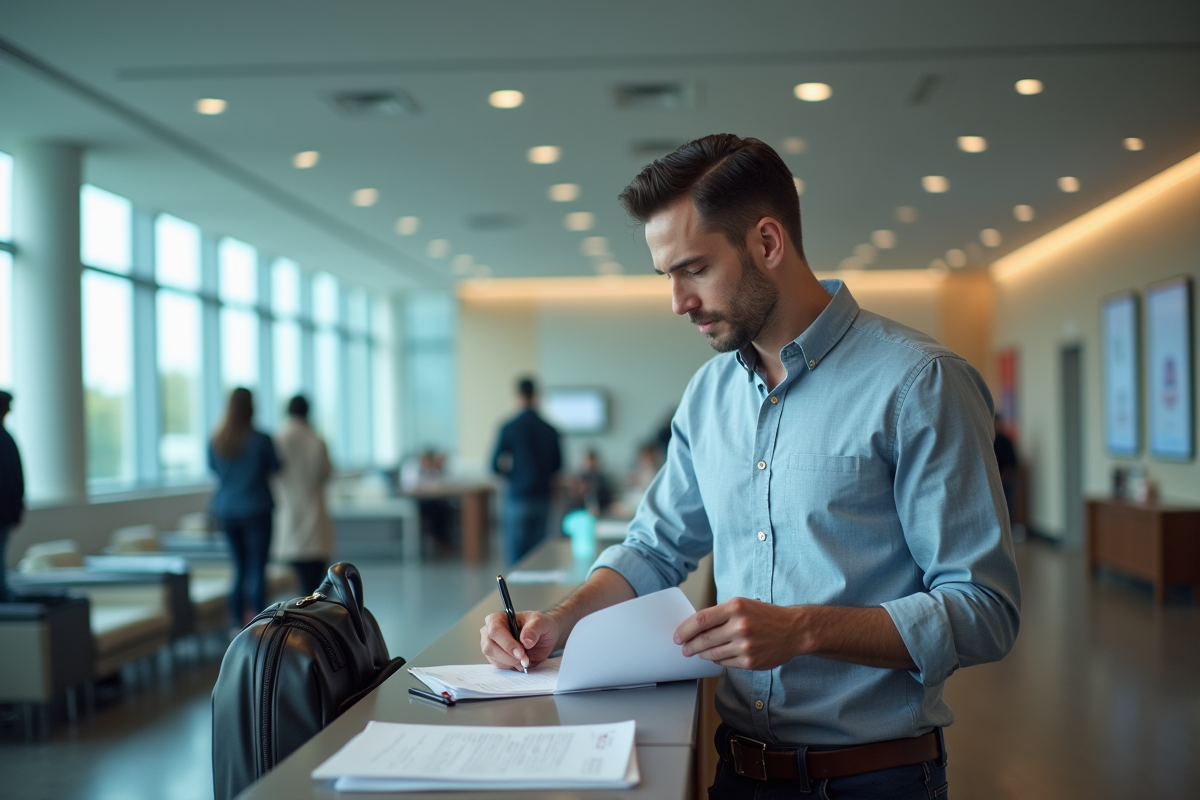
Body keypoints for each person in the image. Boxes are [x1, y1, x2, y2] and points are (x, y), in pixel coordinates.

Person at [481, 135, 1021, 799]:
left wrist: (801, 629)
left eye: (694, 269)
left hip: (875, 780)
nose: (678, 301)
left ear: (767, 242)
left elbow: (985, 610)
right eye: (666, 276)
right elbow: (654, 548)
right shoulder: (708, 394)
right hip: (737, 775)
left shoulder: (919, 383)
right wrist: (558, 622)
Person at [209, 388, 281, 626]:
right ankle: (260, 627)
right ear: (252, 407)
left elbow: (214, 470)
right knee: (257, 569)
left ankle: (236, 625)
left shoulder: (216, 440)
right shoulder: (261, 439)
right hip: (256, 509)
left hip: (227, 510)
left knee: (239, 570)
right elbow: (276, 467)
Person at [491, 377, 562, 565]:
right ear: (536, 396)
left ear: (517, 396)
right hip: (543, 496)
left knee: (516, 557)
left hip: (518, 496)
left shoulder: (509, 427)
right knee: (539, 555)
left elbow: (493, 465)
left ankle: (512, 586)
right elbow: (558, 465)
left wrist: (513, 475)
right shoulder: (550, 429)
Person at [271, 395, 334, 594]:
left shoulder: (277, 439)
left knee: (292, 585)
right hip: (313, 516)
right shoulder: (316, 440)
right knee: (315, 586)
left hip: (287, 515)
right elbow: (326, 473)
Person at [0, 390, 24, 602]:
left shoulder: (6, 439)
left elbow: (16, 479)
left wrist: (17, 510)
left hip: (5, 513)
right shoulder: (6, 439)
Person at [566, 449, 613, 517]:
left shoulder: (601, 479)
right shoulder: (578, 478)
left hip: (600, 511)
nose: (589, 463)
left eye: (591, 460)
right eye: (587, 460)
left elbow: (607, 498)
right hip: (580, 512)